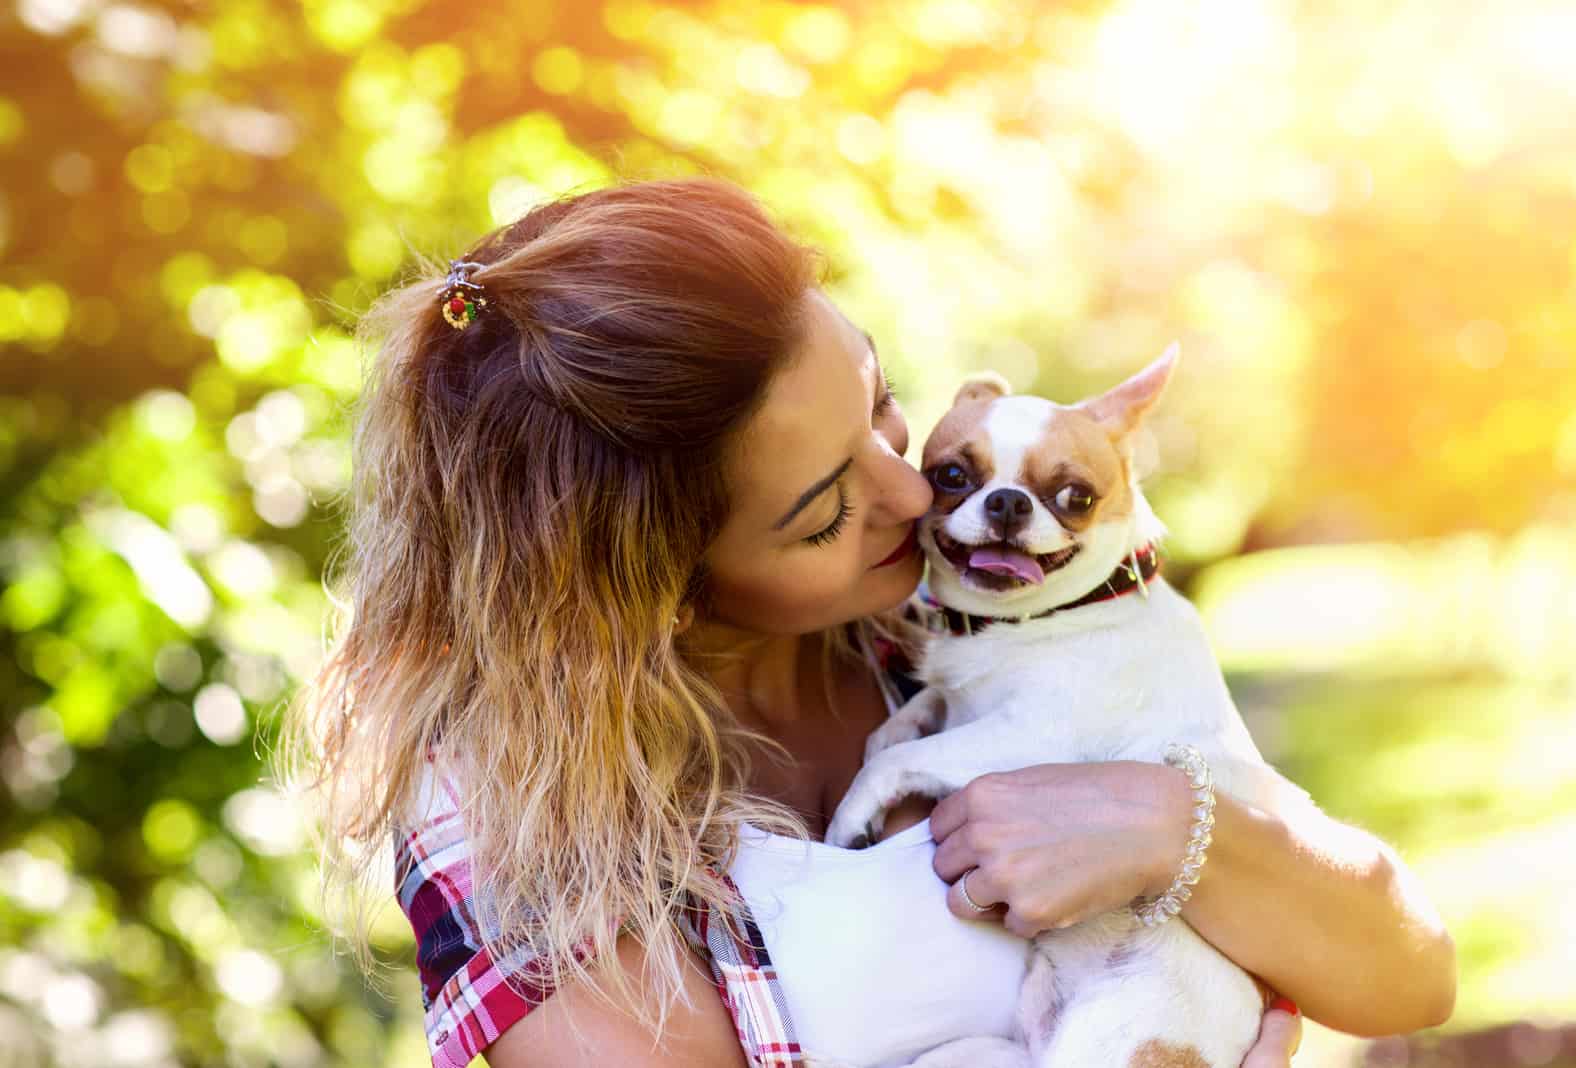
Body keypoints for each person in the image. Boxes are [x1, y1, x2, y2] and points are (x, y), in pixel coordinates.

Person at [288, 179, 1455, 1068]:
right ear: (653, 587)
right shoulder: (515, 819)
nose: (911, 496)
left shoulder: (954, 621)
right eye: (823, 511)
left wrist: (1170, 823)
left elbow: (1407, 973)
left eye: (883, 406)